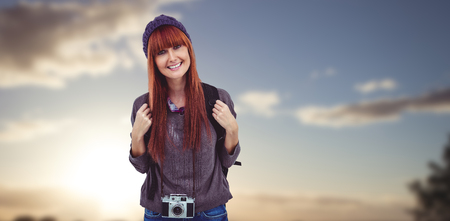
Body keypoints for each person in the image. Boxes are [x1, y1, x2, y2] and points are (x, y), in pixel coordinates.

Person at [129, 14, 241, 221]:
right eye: (161, 52)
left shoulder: (217, 98)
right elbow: (142, 166)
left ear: (189, 48)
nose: (172, 57)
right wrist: (136, 136)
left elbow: (227, 160)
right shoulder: (143, 106)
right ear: (152, 60)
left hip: (210, 212)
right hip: (158, 213)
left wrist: (233, 130)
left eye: (177, 47)